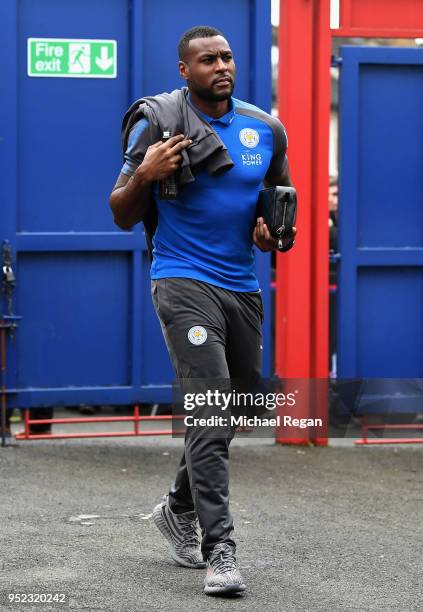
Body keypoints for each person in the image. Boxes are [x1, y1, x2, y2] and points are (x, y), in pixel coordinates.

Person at [109, 25, 296, 597]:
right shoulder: (157, 123)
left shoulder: (265, 129)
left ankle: (176, 506)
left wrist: (269, 235)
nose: (221, 66)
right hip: (181, 281)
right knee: (211, 410)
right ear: (184, 70)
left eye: (227, 57)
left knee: (235, 407)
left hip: (241, 286)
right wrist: (146, 173)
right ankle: (220, 550)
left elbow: (278, 209)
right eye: (207, 60)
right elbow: (119, 211)